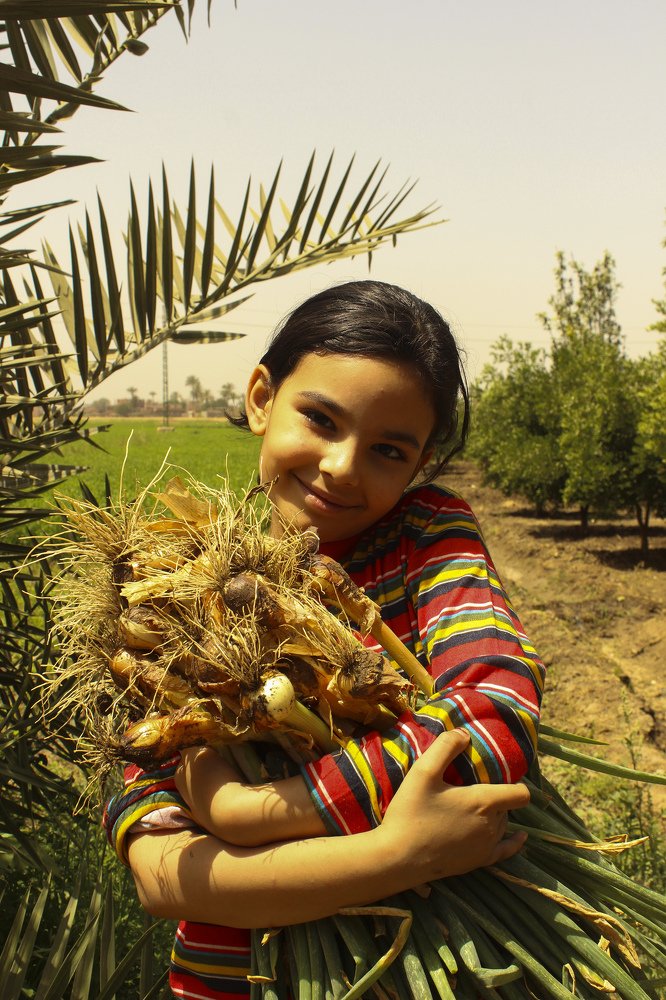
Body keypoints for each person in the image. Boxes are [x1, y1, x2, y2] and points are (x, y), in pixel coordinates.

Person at [103, 280, 544, 1000]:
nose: (342, 466)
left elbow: (495, 716)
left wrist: (242, 810)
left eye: (389, 450)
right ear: (259, 398)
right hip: (233, 982)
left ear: (422, 465)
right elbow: (165, 877)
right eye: (320, 418)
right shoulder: (166, 595)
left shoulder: (425, 537)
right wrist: (396, 853)